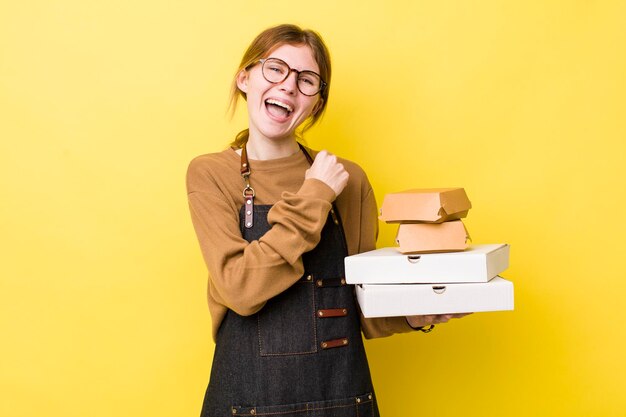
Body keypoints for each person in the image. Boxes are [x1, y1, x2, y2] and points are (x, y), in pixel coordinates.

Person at [187, 23, 468, 417]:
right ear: (244, 78)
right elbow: (241, 290)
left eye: (306, 80)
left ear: (316, 103)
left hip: (342, 400)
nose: (288, 86)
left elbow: (361, 303)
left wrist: (414, 314)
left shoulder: (349, 180)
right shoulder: (210, 174)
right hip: (244, 403)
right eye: (275, 69)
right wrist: (316, 193)